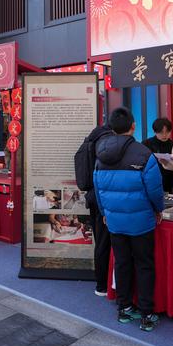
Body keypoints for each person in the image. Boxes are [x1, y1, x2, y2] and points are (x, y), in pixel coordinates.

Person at [93, 107, 164, 332]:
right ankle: (146, 314)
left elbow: (98, 189)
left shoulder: (101, 154)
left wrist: (105, 213)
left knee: (122, 263)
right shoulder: (144, 154)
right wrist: (159, 209)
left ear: (112, 128)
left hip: (114, 221)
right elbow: (155, 190)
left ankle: (124, 308)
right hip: (141, 221)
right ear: (133, 126)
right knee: (144, 265)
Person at [74, 124, 112, 296]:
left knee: (100, 242)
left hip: (92, 196)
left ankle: (101, 283)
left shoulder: (89, 141)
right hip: (102, 197)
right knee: (105, 242)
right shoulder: (104, 143)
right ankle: (103, 284)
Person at [142, 117, 173, 193]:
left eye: (167, 132)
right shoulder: (146, 144)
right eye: (161, 132)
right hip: (151, 180)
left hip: (169, 182)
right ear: (155, 132)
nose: (164, 135)